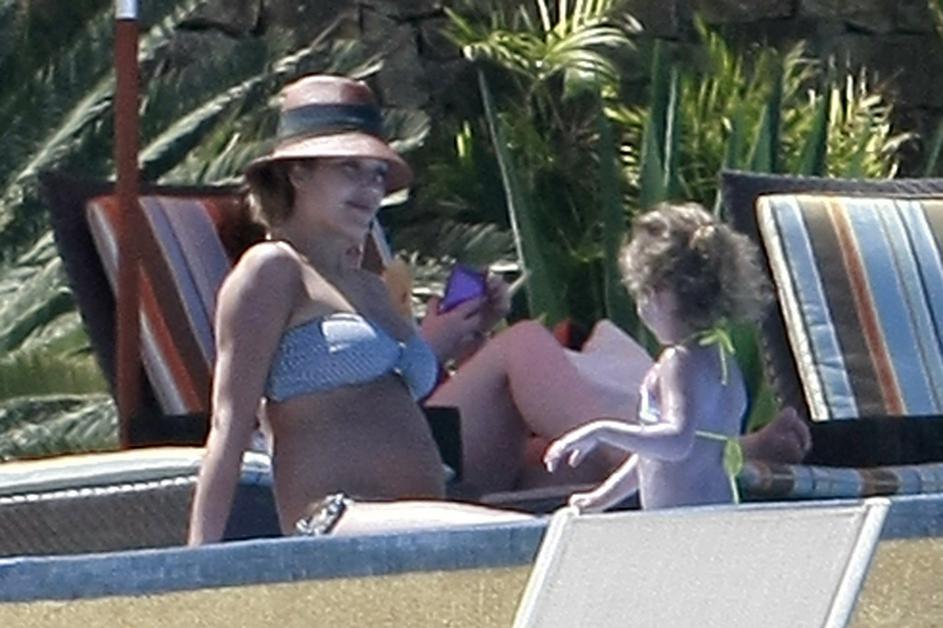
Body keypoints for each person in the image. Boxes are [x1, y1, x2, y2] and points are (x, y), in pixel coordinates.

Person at [188, 75, 810, 544]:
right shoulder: (271, 271)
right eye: (349, 169)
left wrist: (463, 336)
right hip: (334, 518)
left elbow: (388, 394)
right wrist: (192, 572)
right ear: (297, 175)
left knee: (567, 533)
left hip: (424, 511)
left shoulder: (369, 289)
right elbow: (229, 425)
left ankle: (695, 444)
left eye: (378, 174)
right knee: (529, 544)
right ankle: (689, 447)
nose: (370, 188)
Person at [545, 202, 779, 511]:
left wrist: (601, 430)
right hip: (717, 515)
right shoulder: (721, 356)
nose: (641, 309)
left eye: (641, 296)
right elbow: (655, 454)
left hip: (681, 526)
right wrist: (598, 500)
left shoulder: (679, 361)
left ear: (660, 293)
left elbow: (675, 442)